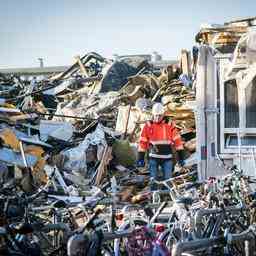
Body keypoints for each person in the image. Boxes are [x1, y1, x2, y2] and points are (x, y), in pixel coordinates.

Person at [137, 103, 185, 190]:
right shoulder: (148, 125)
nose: (157, 118)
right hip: (153, 158)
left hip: (167, 158)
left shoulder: (170, 125)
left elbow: (178, 141)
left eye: (159, 116)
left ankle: (168, 199)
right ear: (153, 114)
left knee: (168, 181)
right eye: (155, 115)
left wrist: (181, 157)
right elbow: (143, 142)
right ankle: (154, 198)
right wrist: (140, 158)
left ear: (163, 114)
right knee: (153, 180)